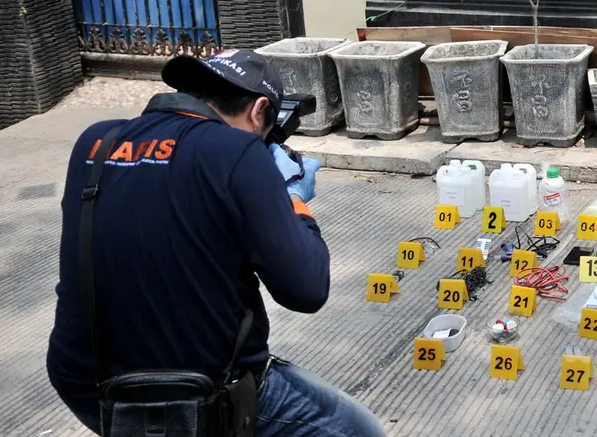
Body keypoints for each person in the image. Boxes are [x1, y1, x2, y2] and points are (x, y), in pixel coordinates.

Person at [46, 50, 387, 436]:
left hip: (85, 380)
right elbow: (307, 289)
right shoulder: (238, 153)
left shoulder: (96, 142)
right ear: (259, 111)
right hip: (202, 391)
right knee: (360, 430)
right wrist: (290, 196)